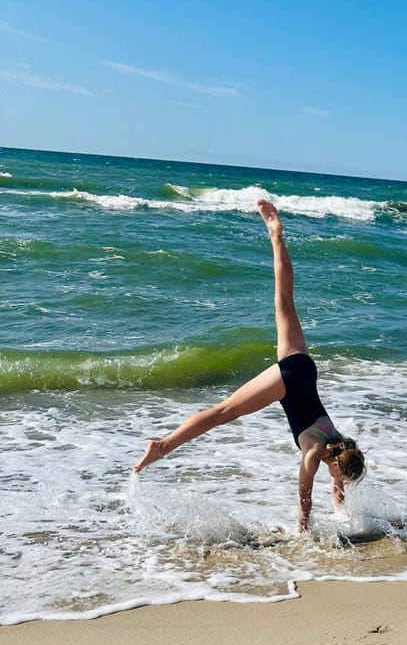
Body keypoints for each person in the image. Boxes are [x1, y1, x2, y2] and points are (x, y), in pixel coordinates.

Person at [134, 199, 365, 530]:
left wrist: (341, 511)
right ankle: (162, 446)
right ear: (339, 464)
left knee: (284, 299)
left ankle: (276, 235)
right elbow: (304, 495)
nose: (338, 480)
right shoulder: (317, 453)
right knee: (223, 412)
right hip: (288, 381)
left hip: (303, 368)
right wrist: (303, 532)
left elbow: (335, 481)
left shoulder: (339, 442)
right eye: (341, 476)